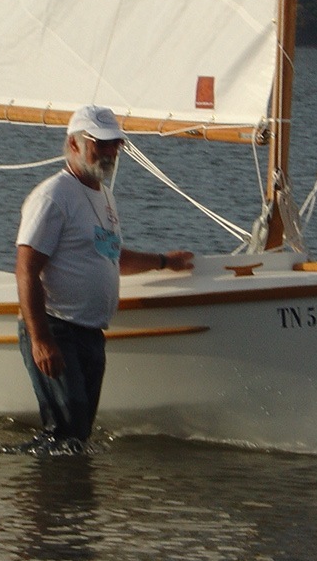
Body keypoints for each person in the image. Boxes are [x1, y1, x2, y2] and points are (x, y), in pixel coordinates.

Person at [16, 104, 193, 448]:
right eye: (100, 143)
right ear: (74, 144)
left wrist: (162, 261)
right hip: (57, 327)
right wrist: (40, 339)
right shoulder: (53, 196)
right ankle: (37, 492)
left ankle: (67, 497)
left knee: (80, 434)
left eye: (116, 143)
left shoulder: (104, 196)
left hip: (91, 334)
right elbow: (26, 268)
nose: (110, 151)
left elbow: (112, 256)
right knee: (67, 432)